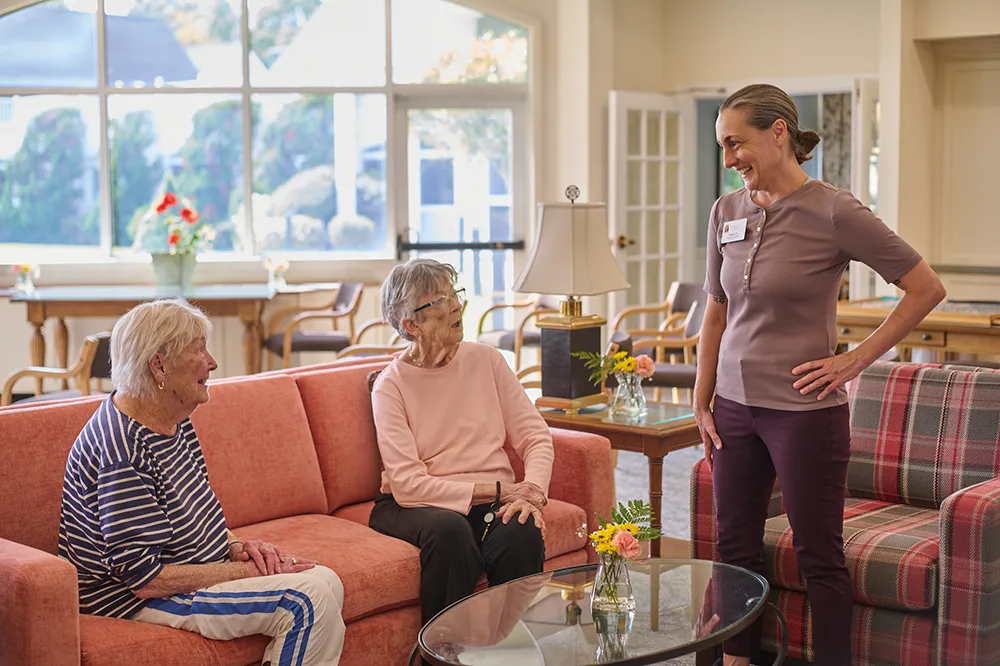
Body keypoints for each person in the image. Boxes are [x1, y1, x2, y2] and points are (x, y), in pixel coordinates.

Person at [695, 84, 946, 666]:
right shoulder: (725, 211)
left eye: (737, 143)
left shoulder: (835, 210)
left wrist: (855, 361)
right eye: (723, 147)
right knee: (732, 548)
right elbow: (716, 308)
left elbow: (925, 287)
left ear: (778, 131)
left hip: (805, 415)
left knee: (818, 557)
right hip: (733, 407)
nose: (729, 159)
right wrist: (702, 396)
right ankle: (736, 659)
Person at [58, 299, 346, 665]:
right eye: (199, 350)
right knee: (307, 599)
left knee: (326, 579)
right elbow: (146, 579)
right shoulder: (123, 449)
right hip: (131, 599)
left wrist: (239, 546)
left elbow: (197, 516)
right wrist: (248, 570)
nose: (212, 363)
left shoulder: (172, 419)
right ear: (159, 365)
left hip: (184, 570)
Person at [369, 258, 553, 631]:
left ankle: (514, 652)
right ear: (411, 324)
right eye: (438, 301)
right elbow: (407, 485)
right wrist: (501, 490)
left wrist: (530, 492)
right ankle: (443, 655)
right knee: (450, 532)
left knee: (521, 529)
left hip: (488, 502)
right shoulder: (391, 386)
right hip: (416, 503)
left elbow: (536, 437)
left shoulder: (486, 360)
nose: (455, 306)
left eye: (454, 294)